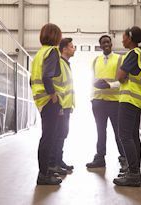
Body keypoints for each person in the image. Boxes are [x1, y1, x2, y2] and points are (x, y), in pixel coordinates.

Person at [113, 26, 141, 187]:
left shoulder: (133, 54)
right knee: (133, 136)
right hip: (137, 100)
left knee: (125, 136)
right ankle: (134, 170)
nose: (122, 40)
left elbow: (120, 76)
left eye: (123, 37)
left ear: (130, 37)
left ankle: (133, 173)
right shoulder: (140, 54)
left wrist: (120, 73)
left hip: (129, 99)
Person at [31, 23, 65, 185]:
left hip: (40, 99)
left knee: (47, 136)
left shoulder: (39, 53)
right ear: (56, 36)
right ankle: (43, 174)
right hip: (49, 100)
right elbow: (46, 77)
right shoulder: (52, 52)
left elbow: (33, 80)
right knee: (48, 137)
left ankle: (46, 170)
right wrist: (53, 95)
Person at [86, 35, 127, 171]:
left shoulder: (119, 59)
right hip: (98, 101)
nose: (106, 44)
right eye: (103, 42)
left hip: (114, 101)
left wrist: (109, 85)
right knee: (100, 131)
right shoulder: (96, 60)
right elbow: (93, 79)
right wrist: (95, 85)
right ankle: (99, 158)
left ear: (111, 43)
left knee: (118, 132)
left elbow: (123, 81)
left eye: (108, 42)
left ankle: (124, 159)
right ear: (100, 45)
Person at [54, 38, 75, 172]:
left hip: (66, 106)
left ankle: (58, 161)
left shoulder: (66, 64)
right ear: (64, 49)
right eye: (72, 47)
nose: (74, 49)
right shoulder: (60, 63)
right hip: (60, 106)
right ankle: (54, 163)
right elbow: (56, 85)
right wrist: (60, 106)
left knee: (63, 134)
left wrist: (70, 105)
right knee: (58, 135)